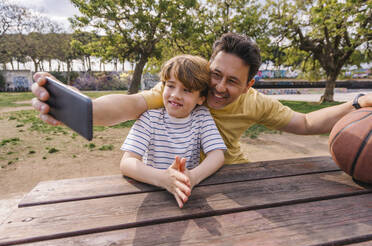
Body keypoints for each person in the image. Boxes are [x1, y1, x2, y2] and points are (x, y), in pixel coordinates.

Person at [31, 32, 372, 169]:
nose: (219, 87)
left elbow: (307, 123)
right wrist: (75, 110)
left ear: (249, 84)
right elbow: (130, 104)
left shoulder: (256, 102)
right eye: (216, 74)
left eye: (233, 81)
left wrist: (357, 103)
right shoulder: (188, 90)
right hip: (179, 179)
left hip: (232, 173)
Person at [119, 55, 226, 208]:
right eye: (170, 85)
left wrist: (193, 177)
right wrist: (164, 179)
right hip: (152, 192)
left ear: (201, 98)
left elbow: (217, 155)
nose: (175, 94)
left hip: (187, 193)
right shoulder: (150, 118)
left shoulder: (201, 117)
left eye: (187, 90)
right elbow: (127, 163)